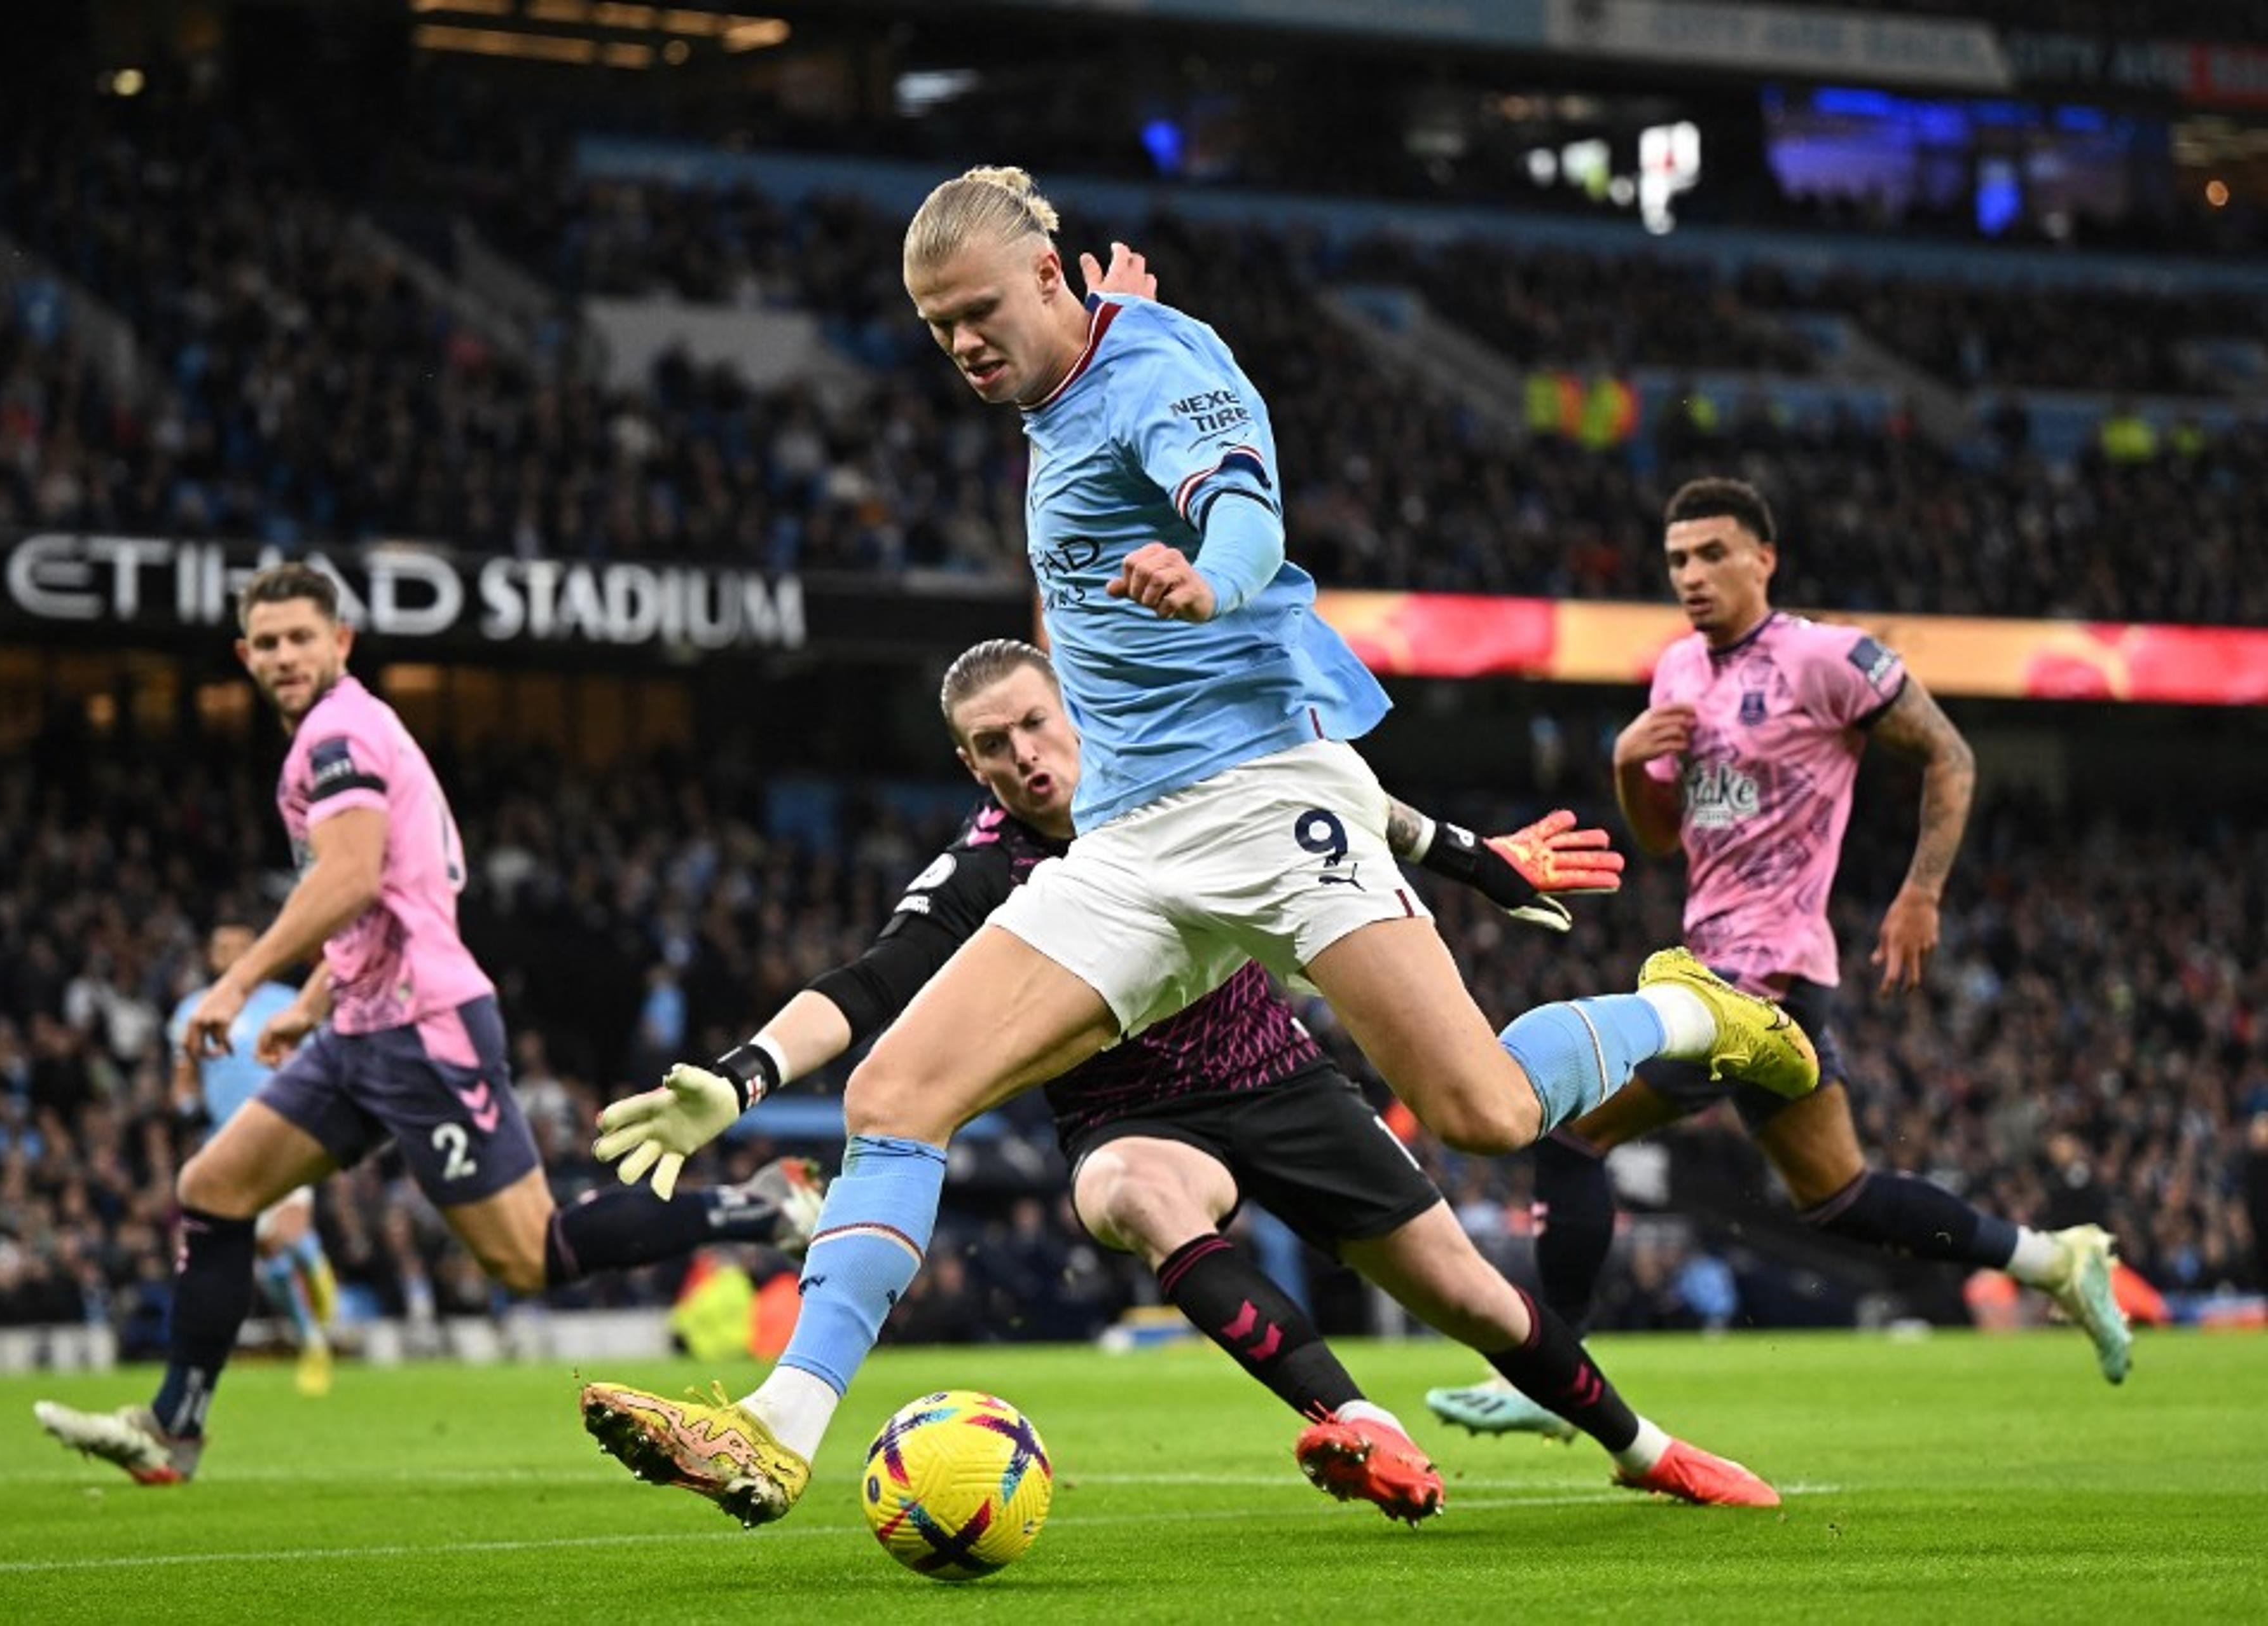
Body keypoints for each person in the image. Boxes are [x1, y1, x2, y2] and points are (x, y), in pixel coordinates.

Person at [569, 171, 1818, 1529]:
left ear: (1048, 277)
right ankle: (777, 1429)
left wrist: (1213, 570)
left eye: (980, 312)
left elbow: (1235, 494)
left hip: (1267, 802)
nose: (962, 345)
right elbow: (1122, 382)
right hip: (1129, 837)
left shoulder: (1159, 367)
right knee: (895, 1095)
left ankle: (1680, 1007)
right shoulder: (1078, 369)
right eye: (937, 328)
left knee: (1485, 1118)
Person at [583, 640, 1782, 1520]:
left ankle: (1641, 1446)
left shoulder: (1174, 774)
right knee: (1137, 1195)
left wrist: (1473, 855)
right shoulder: (986, 868)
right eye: (993, 746)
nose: (1024, 756)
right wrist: (743, 1076)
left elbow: (1337, 789)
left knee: (1473, 1293)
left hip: (1278, 1078)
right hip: (1126, 1119)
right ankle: (1353, 1419)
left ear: (1073, 709)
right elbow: (875, 977)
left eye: (1036, 725)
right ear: (969, 763)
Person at [32, 563, 824, 1485]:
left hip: (425, 1033)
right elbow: (401, 896)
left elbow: (352, 877)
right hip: (362, 1029)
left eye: (303, 637)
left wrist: (238, 982)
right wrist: (310, 1006)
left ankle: (760, 1208)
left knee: (532, 1257)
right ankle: (174, 1426)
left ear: (342, 643)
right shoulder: (356, 734)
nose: (287, 655)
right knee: (214, 1186)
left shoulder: (338, 735)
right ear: (244, 655)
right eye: (270, 642)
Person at [1428, 476, 2131, 1442]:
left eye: (1713, 553)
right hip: (1717, 960)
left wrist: (1921, 891)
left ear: (1766, 557)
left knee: (1568, 1135)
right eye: (1678, 559)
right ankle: (2054, 1261)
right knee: (1840, 1198)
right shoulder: (1676, 668)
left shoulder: (1828, 658)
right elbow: (1663, 838)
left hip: (1766, 973)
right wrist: (1630, 763)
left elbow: (1950, 755)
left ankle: (1553, 1375)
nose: (1692, 576)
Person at [165, 921, 340, 1396]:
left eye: (240, 947)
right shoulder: (191, 1009)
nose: (231, 955)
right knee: (267, 1250)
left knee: (289, 1231)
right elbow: (185, 1077)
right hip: (229, 1143)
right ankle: (313, 1340)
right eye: (221, 947)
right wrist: (183, 1100)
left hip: (287, 1131)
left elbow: (322, 1061)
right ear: (211, 954)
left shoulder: (289, 1000)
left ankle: (315, 1264)